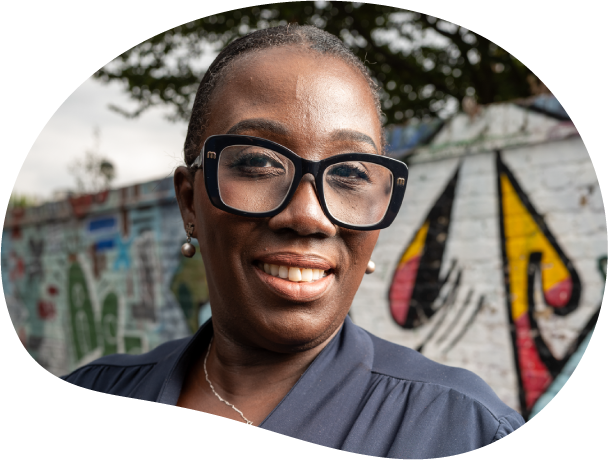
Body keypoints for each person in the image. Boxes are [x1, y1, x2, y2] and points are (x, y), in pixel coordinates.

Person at [60, 24, 525, 457]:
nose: (308, 215)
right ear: (189, 203)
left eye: (349, 173)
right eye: (258, 163)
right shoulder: (99, 385)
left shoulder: (462, 429)